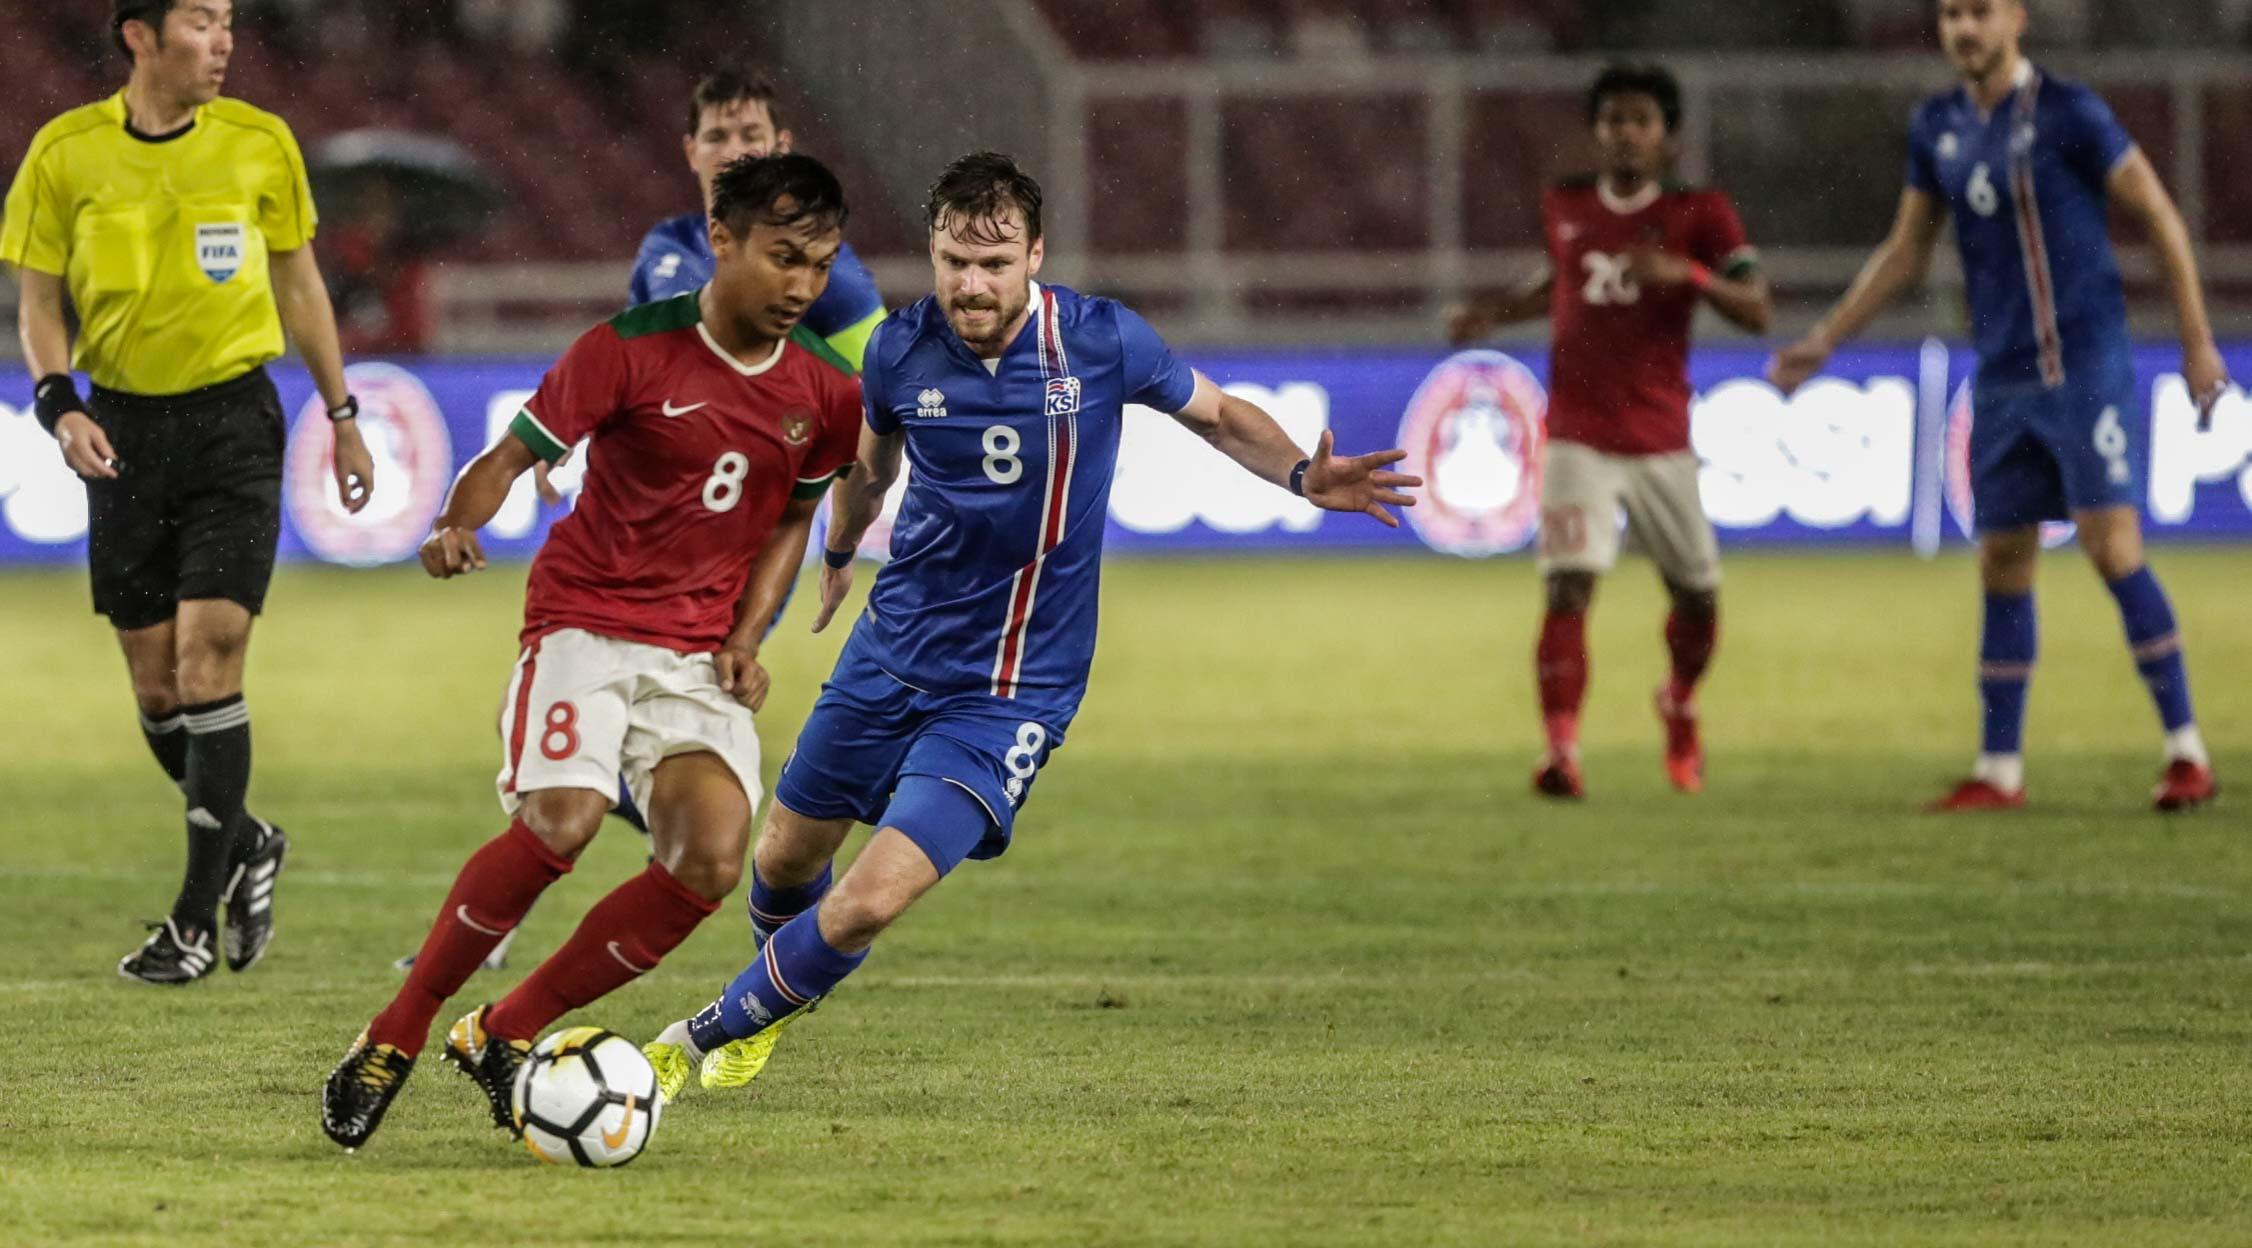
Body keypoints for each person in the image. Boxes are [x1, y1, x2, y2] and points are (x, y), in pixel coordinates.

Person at [641, 151, 1422, 1099]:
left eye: (995, 263)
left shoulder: (1101, 342)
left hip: (1012, 691)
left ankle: (692, 1041)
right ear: (931, 255)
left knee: (865, 902)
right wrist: (840, 552)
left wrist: (1302, 475)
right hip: (890, 651)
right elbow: (871, 467)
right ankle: (783, 987)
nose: (972, 285)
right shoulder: (895, 350)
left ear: (1034, 257)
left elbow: (1217, 417)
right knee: (781, 861)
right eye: (953, 262)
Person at [320, 155, 863, 1150]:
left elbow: (791, 520)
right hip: (583, 626)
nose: (800, 287)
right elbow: (509, 456)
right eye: (783, 258)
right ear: (723, 242)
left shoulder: (824, 393)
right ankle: (396, 1030)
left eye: (820, 267)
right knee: (561, 821)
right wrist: (454, 523)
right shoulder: (626, 351)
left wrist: (746, 638)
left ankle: (504, 1029)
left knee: (709, 858)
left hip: (693, 658)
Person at [1768, 0, 2227, 812]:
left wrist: (2196, 343)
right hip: (2003, 378)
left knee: (2111, 545)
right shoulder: (1937, 125)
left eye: (1979, 11)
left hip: (2084, 367)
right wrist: (1825, 338)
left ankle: (2187, 751)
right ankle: (2000, 772)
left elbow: (2158, 214)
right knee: (2003, 561)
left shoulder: (2069, 112)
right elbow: (1906, 250)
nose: (1962, 30)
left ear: (2017, 18)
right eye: (1949, 14)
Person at [2, 0, 374, 983]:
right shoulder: (64, 154)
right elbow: (38, 299)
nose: (224, 43)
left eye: (229, 25)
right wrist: (57, 403)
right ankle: (248, 841)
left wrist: (342, 414)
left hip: (232, 427)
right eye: (203, 22)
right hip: (123, 428)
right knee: (157, 684)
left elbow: (300, 285)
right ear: (140, 34)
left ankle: (191, 923)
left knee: (211, 658)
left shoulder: (260, 144)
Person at [1448, 62, 1770, 800]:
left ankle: (1679, 702)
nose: (1626, 134)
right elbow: (1562, 281)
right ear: (1596, 133)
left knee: (1698, 599)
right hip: (1577, 433)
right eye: (1613, 121)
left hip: (1661, 439)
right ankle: (1561, 751)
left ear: (1667, 137)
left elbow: (1757, 307)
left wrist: (1686, 275)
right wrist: (1491, 314)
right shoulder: (1564, 203)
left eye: (1641, 122)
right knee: (1567, 587)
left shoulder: (1703, 214)